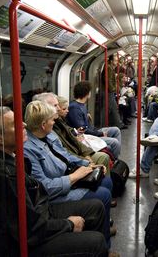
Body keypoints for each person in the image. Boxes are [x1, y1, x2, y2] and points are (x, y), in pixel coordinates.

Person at [0, 106, 109, 256]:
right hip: (20, 242)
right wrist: (68, 224)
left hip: (38, 210)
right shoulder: (2, 175)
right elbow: (29, 229)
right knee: (96, 242)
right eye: (15, 124)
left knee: (96, 207)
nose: (24, 125)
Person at [23, 101, 115, 247]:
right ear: (43, 124)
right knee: (103, 194)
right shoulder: (28, 150)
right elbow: (44, 188)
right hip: (55, 194)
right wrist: (75, 176)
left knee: (105, 181)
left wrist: (87, 165)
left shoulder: (49, 135)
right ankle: (104, 245)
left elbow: (65, 154)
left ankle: (100, 225)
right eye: (52, 120)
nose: (55, 122)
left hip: (67, 176)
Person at [32, 92, 110, 169]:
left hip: (76, 154)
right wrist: (84, 161)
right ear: (45, 108)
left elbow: (72, 141)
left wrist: (86, 154)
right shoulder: (49, 130)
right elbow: (63, 152)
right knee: (105, 155)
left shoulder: (58, 121)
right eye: (55, 106)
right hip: (73, 157)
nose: (58, 108)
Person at [67, 81, 122, 159]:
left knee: (116, 130)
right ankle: (115, 161)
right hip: (88, 136)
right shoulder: (74, 108)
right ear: (86, 93)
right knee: (115, 142)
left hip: (92, 131)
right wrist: (100, 133)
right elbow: (83, 130)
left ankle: (114, 157)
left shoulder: (81, 105)